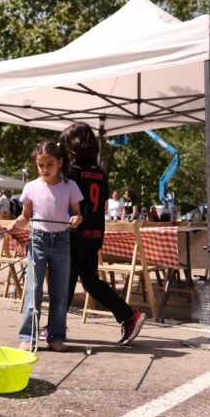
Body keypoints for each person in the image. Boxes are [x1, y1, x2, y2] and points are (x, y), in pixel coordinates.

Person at [62, 123, 147, 345]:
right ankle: (128, 315)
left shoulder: (72, 173)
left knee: (67, 281)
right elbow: (103, 205)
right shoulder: (100, 173)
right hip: (95, 233)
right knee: (89, 281)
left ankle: (56, 326)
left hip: (75, 233)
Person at [13, 141, 83, 352]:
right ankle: (28, 337)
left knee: (60, 291)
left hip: (62, 241)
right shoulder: (31, 187)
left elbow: (77, 213)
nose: (45, 169)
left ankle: (56, 336)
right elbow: (26, 216)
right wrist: (17, 223)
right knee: (34, 290)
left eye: (49, 164)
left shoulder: (70, 186)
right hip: (38, 240)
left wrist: (76, 220)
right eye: (40, 165)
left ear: (60, 162)